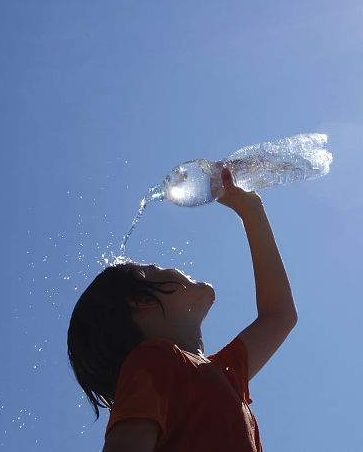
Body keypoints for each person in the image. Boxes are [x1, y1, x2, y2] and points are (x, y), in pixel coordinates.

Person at [67, 167, 298, 452]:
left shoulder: (225, 372)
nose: (169, 267)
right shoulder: (154, 360)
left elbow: (280, 315)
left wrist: (251, 210)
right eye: (155, 269)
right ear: (142, 302)